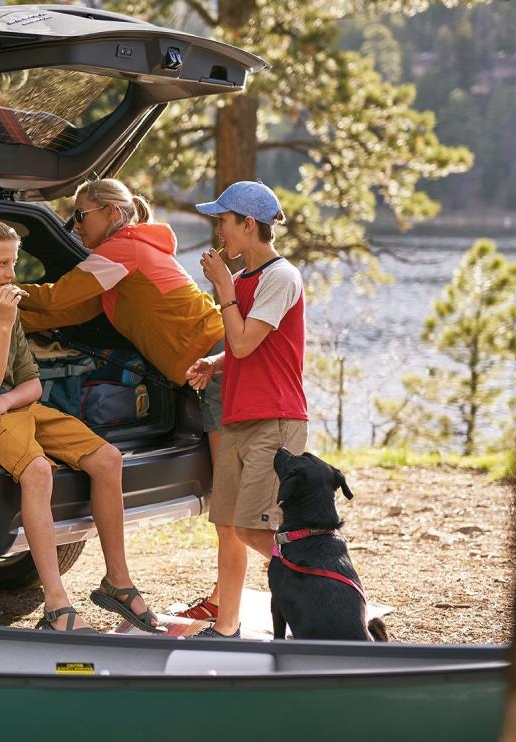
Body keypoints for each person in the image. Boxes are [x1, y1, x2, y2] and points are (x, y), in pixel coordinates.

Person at [0, 217, 160, 633]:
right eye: (2, 264)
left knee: (108, 458)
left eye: (14, 263)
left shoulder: (5, 305)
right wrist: (3, 326)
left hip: (12, 406)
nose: (11, 274)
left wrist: (6, 398)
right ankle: (57, 606)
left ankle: (118, 583)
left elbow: (32, 385)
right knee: (37, 471)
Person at [15, 178, 228, 623]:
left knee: (235, 492)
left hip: (221, 371)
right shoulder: (125, 256)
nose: (73, 226)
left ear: (113, 214)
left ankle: (243, 597)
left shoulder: (123, 251)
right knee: (230, 490)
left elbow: (59, 297)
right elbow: (71, 311)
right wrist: (4, 313)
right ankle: (224, 597)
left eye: (81, 215)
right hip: (206, 373)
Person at [180, 181, 308, 639]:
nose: (219, 231)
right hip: (238, 416)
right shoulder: (245, 280)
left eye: (224, 221)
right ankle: (226, 627)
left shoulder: (280, 276)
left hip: (274, 420)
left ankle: (318, 581)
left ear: (248, 224)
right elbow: (244, 348)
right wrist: (215, 365)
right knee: (231, 530)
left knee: (257, 531)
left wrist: (222, 289)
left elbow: (243, 340)